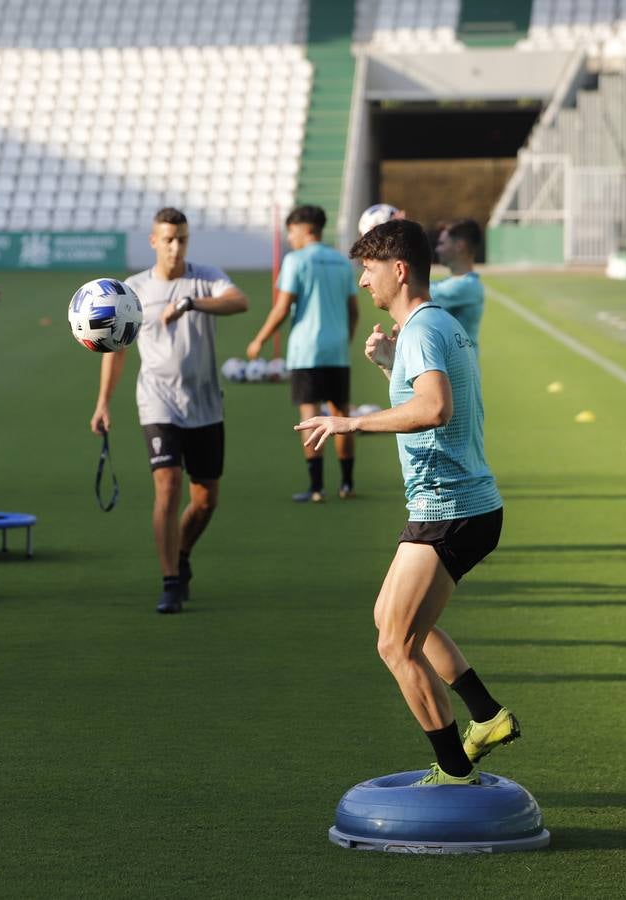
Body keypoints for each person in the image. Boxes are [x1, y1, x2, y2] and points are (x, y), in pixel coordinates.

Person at [296, 218, 517, 785]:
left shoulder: (421, 328)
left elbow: (436, 409)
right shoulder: (435, 325)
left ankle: (454, 771)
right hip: (460, 505)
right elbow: (439, 399)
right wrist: (389, 365)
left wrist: (351, 421)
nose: (363, 283)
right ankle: (488, 716)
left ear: (398, 270)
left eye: (368, 270)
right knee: (394, 623)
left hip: (451, 508)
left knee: (395, 642)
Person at [90, 208, 248, 614]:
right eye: (168, 239)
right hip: (157, 401)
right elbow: (116, 349)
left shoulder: (206, 277)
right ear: (153, 241)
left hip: (205, 402)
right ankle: (171, 582)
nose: (176, 247)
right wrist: (103, 402)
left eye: (182, 239)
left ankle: (180, 554)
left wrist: (192, 303)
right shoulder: (134, 289)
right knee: (167, 487)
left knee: (206, 499)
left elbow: (239, 302)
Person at [245, 205, 359, 502]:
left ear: (306, 229)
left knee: (310, 416)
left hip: (307, 351)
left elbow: (283, 307)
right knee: (342, 416)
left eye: (291, 231)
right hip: (337, 351)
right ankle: (347, 484)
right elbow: (353, 310)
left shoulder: (296, 261)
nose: (289, 238)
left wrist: (259, 339)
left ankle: (317, 487)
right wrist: (345, 338)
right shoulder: (342, 262)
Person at [432, 218, 485, 346]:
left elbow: (417, 293)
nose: (437, 249)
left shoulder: (467, 286)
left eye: (442, 243)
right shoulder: (452, 283)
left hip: (457, 365)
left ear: (459, 246)